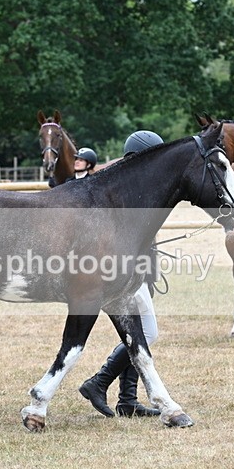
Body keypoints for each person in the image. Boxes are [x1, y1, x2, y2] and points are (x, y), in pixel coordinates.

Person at [78, 130, 165, 418]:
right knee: (146, 333)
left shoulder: (129, 184)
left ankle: (127, 400)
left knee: (138, 332)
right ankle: (99, 383)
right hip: (125, 271)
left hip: (133, 268)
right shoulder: (130, 188)